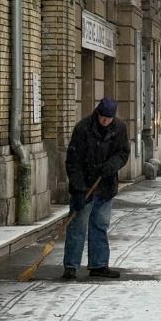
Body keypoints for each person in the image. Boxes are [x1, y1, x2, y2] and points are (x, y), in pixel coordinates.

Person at [62, 97, 131, 280]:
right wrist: (78, 189)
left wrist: (111, 165)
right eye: (103, 118)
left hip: (106, 186)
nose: (105, 122)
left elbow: (123, 153)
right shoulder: (83, 128)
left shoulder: (119, 128)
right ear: (97, 113)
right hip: (84, 185)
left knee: (100, 225)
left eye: (109, 119)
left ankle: (99, 265)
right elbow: (73, 161)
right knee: (77, 226)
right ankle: (71, 266)